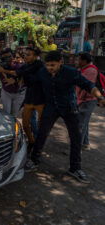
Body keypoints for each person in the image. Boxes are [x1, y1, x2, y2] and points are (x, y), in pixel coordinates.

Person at [25, 51, 105, 184]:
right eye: (47, 65)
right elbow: (32, 81)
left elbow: (89, 85)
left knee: (76, 137)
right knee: (42, 133)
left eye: (53, 65)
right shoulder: (42, 72)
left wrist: (100, 97)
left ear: (61, 62)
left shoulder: (71, 72)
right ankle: (34, 160)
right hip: (51, 108)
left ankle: (75, 168)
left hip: (69, 107)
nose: (50, 68)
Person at [0, 47, 45, 152]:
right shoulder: (25, 65)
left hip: (40, 98)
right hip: (29, 97)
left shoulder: (39, 65)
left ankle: (38, 146)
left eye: (29, 54)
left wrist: (3, 71)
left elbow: (18, 73)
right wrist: (14, 79)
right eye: (25, 54)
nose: (26, 56)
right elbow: (18, 73)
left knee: (40, 124)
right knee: (25, 124)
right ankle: (32, 141)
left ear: (35, 56)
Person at [76, 53, 99, 151]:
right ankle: (85, 144)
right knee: (84, 122)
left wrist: (79, 100)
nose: (77, 61)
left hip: (87, 100)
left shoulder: (91, 70)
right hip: (83, 100)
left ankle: (77, 148)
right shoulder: (82, 69)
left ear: (84, 61)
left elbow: (86, 87)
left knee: (81, 124)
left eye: (79, 60)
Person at [0, 48, 26, 116]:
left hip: (19, 94)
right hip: (6, 93)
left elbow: (24, 77)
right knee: (6, 114)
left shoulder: (19, 66)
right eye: (5, 57)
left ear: (13, 56)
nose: (8, 59)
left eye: (9, 56)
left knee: (14, 115)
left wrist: (15, 80)